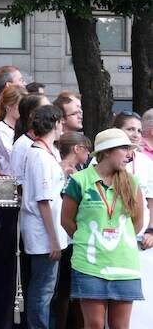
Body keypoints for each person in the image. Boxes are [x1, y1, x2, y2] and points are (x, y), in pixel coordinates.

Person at [61, 128, 145, 329]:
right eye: (124, 148)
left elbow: (138, 223)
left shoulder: (132, 182)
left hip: (125, 264)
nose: (129, 154)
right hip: (89, 264)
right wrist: (86, 238)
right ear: (106, 151)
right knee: (95, 324)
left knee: (120, 326)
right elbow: (66, 221)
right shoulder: (79, 180)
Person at [20, 105, 68, 329]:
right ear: (56, 123)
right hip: (43, 233)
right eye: (61, 123)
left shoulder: (45, 153)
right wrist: (54, 240)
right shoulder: (40, 155)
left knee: (46, 288)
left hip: (46, 231)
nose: (63, 127)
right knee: (43, 289)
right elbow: (43, 200)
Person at [110, 111, 153, 328]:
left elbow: (151, 200)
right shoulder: (101, 162)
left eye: (138, 130)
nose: (136, 134)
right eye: (130, 129)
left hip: (142, 238)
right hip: (112, 239)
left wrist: (151, 230)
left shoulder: (146, 162)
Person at [52, 132, 91, 329]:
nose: (89, 154)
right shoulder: (62, 169)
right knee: (65, 288)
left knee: (73, 289)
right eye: (87, 149)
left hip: (74, 236)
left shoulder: (79, 169)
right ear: (77, 149)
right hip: (66, 236)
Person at [11, 93, 51, 186]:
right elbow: (17, 181)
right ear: (32, 114)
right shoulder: (22, 144)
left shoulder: (51, 141)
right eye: (46, 108)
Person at [0, 85, 26, 175]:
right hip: (8, 179)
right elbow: (13, 157)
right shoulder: (0, 130)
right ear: (9, 105)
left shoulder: (23, 127)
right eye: (21, 106)